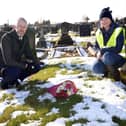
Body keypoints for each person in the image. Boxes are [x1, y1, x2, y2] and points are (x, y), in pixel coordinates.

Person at [0, 17, 42, 89]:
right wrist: (24, 66)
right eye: (20, 26)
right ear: (15, 26)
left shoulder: (25, 38)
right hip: (5, 67)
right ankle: (4, 83)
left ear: (26, 28)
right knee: (15, 71)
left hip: (18, 64)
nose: (22, 29)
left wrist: (37, 62)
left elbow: (29, 53)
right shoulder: (6, 38)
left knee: (36, 67)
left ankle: (18, 79)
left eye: (24, 27)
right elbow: (8, 61)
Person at [87, 7, 126, 81]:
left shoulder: (119, 30)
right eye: (102, 19)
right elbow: (97, 46)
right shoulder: (98, 32)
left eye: (106, 19)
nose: (104, 21)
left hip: (119, 58)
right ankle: (107, 71)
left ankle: (115, 73)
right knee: (95, 68)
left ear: (111, 20)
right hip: (104, 57)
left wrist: (102, 51)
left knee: (107, 56)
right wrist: (98, 52)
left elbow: (118, 49)